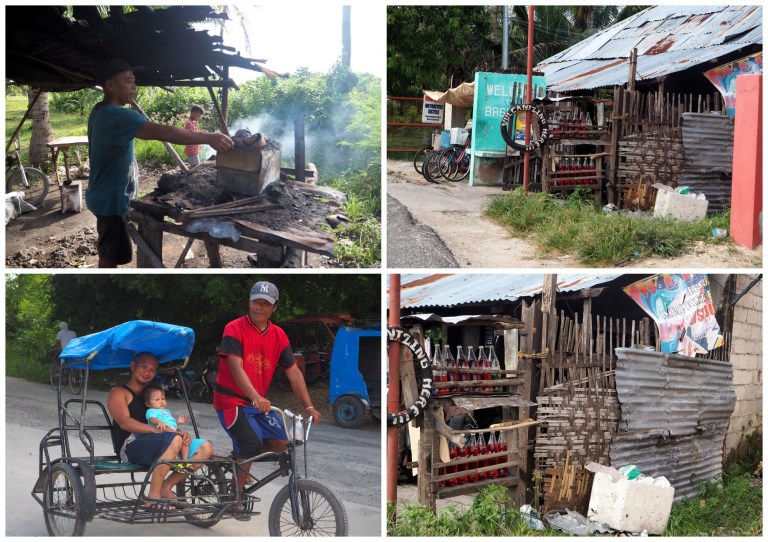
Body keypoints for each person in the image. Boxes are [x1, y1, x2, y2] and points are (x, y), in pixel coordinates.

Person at [87, 58, 234, 268]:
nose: (134, 86)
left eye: (134, 81)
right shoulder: (117, 115)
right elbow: (163, 132)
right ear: (110, 85)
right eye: (128, 81)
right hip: (110, 202)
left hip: (106, 196)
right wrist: (209, 137)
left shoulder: (99, 110)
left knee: (113, 250)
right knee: (109, 257)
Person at [214, 281, 321, 514]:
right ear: (249, 302)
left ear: (274, 307)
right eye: (256, 302)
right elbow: (235, 367)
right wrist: (255, 396)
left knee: (283, 445)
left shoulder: (279, 335)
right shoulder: (234, 328)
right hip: (231, 401)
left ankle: (238, 457)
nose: (259, 307)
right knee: (251, 444)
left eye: (265, 303)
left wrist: (309, 406)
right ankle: (233, 497)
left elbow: (294, 372)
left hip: (255, 404)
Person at [106, 352, 214, 510]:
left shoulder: (153, 394)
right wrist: (157, 431)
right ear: (133, 366)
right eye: (144, 367)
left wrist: (179, 431)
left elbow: (164, 420)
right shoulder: (119, 392)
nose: (147, 372)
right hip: (131, 446)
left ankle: (166, 486)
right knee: (173, 439)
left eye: (152, 369)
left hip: (163, 441)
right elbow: (125, 422)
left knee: (205, 447)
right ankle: (153, 497)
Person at [143, 384, 209, 471]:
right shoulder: (151, 411)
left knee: (185, 442)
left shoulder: (166, 411)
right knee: (175, 441)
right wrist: (159, 422)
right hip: (161, 432)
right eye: (157, 400)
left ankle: (185, 461)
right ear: (148, 404)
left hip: (172, 432)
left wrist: (178, 422)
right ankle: (177, 462)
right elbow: (151, 419)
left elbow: (172, 427)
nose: (161, 402)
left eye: (163, 399)